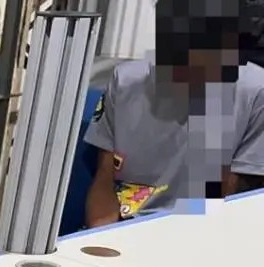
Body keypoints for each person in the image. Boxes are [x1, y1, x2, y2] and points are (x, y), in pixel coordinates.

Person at [84, 2, 264, 228]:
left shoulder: (255, 94)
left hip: (195, 232)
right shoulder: (126, 82)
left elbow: (225, 206)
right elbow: (105, 177)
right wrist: (102, 235)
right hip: (125, 227)